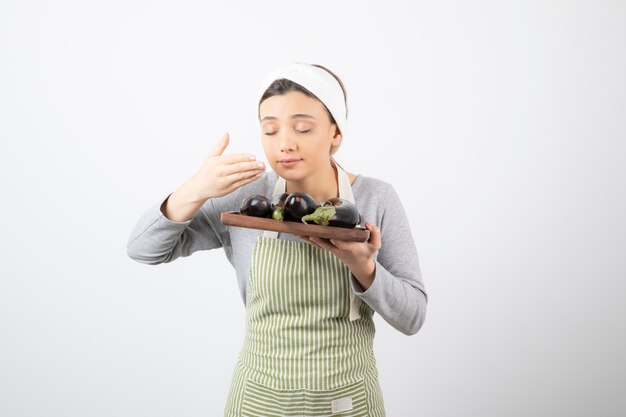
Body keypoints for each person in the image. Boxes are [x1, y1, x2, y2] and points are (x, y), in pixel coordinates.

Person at [127, 62, 427, 417]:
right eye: (270, 131)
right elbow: (143, 250)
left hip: (347, 404)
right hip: (257, 402)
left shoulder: (377, 198)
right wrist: (194, 190)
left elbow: (413, 317)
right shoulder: (246, 198)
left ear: (335, 133)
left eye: (302, 128)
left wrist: (363, 266)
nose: (284, 144)